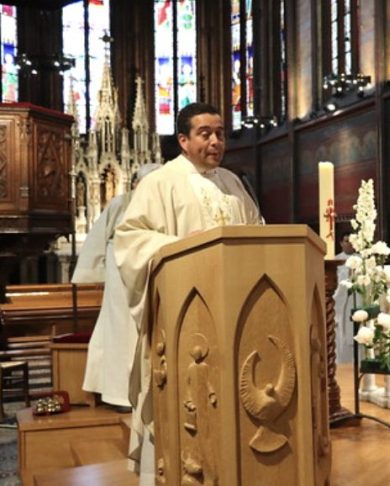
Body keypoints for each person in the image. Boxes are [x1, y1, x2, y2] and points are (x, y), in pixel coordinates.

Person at [114, 102, 263, 484]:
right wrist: (179, 245)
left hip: (236, 320)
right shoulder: (161, 183)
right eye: (205, 133)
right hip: (185, 323)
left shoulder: (232, 184)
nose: (216, 142)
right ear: (183, 140)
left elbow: (258, 235)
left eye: (220, 134)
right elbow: (130, 239)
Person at [71, 162, 162, 411]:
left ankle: (152, 392)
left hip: (152, 276)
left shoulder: (162, 204)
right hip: (121, 281)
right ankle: (119, 394)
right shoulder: (120, 203)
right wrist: (95, 273)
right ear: (136, 183)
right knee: (120, 334)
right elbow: (98, 238)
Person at [334, 232, 357, 362]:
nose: (349, 244)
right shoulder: (335, 261)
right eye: (346, 241)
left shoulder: (362, 260)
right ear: (341, 243)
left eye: (352, 241)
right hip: (341, 304)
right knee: (342, 334)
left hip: (356, 301)